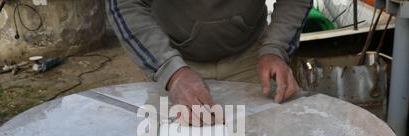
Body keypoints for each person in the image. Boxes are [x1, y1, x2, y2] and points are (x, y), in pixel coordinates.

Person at [106, 0, 312, 124]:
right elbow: (123, 4)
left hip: (251, 57)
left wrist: (276, 48)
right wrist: (170, 71)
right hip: (171, 56)